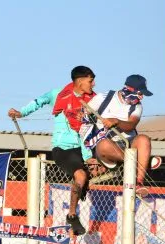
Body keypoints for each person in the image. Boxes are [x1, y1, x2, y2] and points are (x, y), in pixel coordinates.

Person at [7, 65, 97, 235]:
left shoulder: (94, 100)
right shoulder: (58, 94)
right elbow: (38, 101)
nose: (93, 85)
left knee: (97, 168)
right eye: (90, 81)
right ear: (80, 81)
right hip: (63, 148)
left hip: (86, 148)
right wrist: (21, 113)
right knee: (81, 175)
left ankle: (87, 183)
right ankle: (72, 215)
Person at [84, 75, 159, 185]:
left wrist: (117, 121)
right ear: (130, 89)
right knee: (103, 144)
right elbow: (84, 115)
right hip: (107, 146)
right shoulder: (103, 97)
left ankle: (139, 183)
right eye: (140, 93)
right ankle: (141, 163)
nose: (142, 97)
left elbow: (131, 124)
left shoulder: (137, 106)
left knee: (144, 139)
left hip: (127, 144)